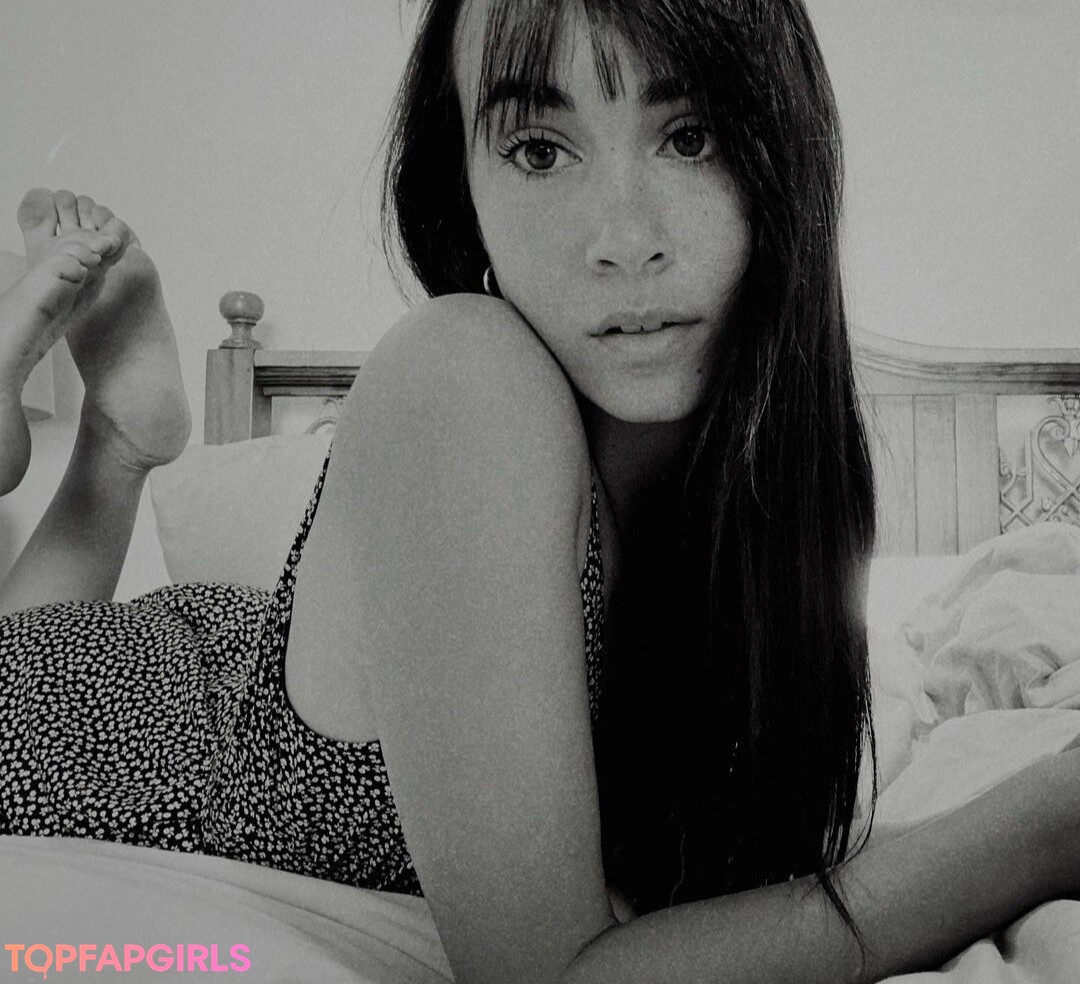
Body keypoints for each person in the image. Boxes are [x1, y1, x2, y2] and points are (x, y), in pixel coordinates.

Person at [3, 2, 1080, 983]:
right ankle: (107, 441)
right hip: (122, 712)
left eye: (690, 136)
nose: (625, 240)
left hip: (208, 673)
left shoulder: (756, 510)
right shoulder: (461, 375)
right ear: (461, 191)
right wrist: (1043, 819)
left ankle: (116, 443)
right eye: (537, 149)